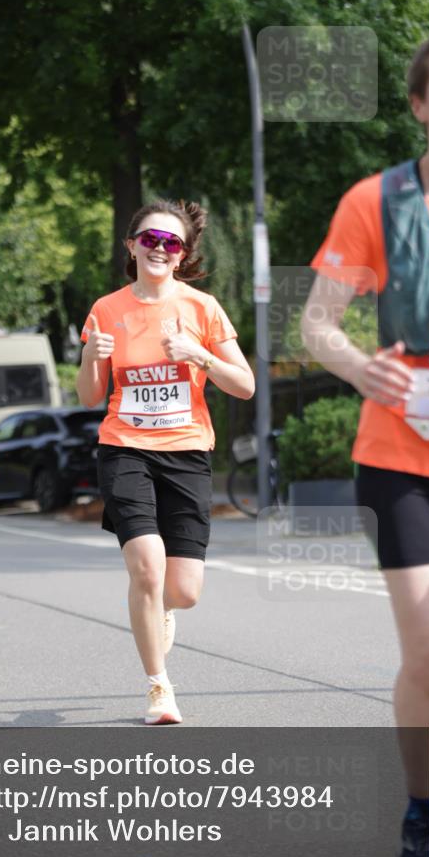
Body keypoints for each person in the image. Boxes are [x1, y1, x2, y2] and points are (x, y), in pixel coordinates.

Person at [302, 26, 429, 857]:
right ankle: (424, 811)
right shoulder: (375, 201)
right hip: (402, 452)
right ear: (418, 103)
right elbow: (316, 322)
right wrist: (363, 368)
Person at [77, 200, 255, 724]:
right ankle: (160, 688)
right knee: (147, 568)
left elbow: (243, 385)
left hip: (186, 452)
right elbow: (91, 395)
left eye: (170, 243)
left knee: (184, 591)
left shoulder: (202, 308)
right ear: (131, 246)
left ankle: (165, 610)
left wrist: (200, 356)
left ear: (182, 255)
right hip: (125, 447)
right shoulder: (106, 309)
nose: (159, 248)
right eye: (150, 239)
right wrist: (90, 355)